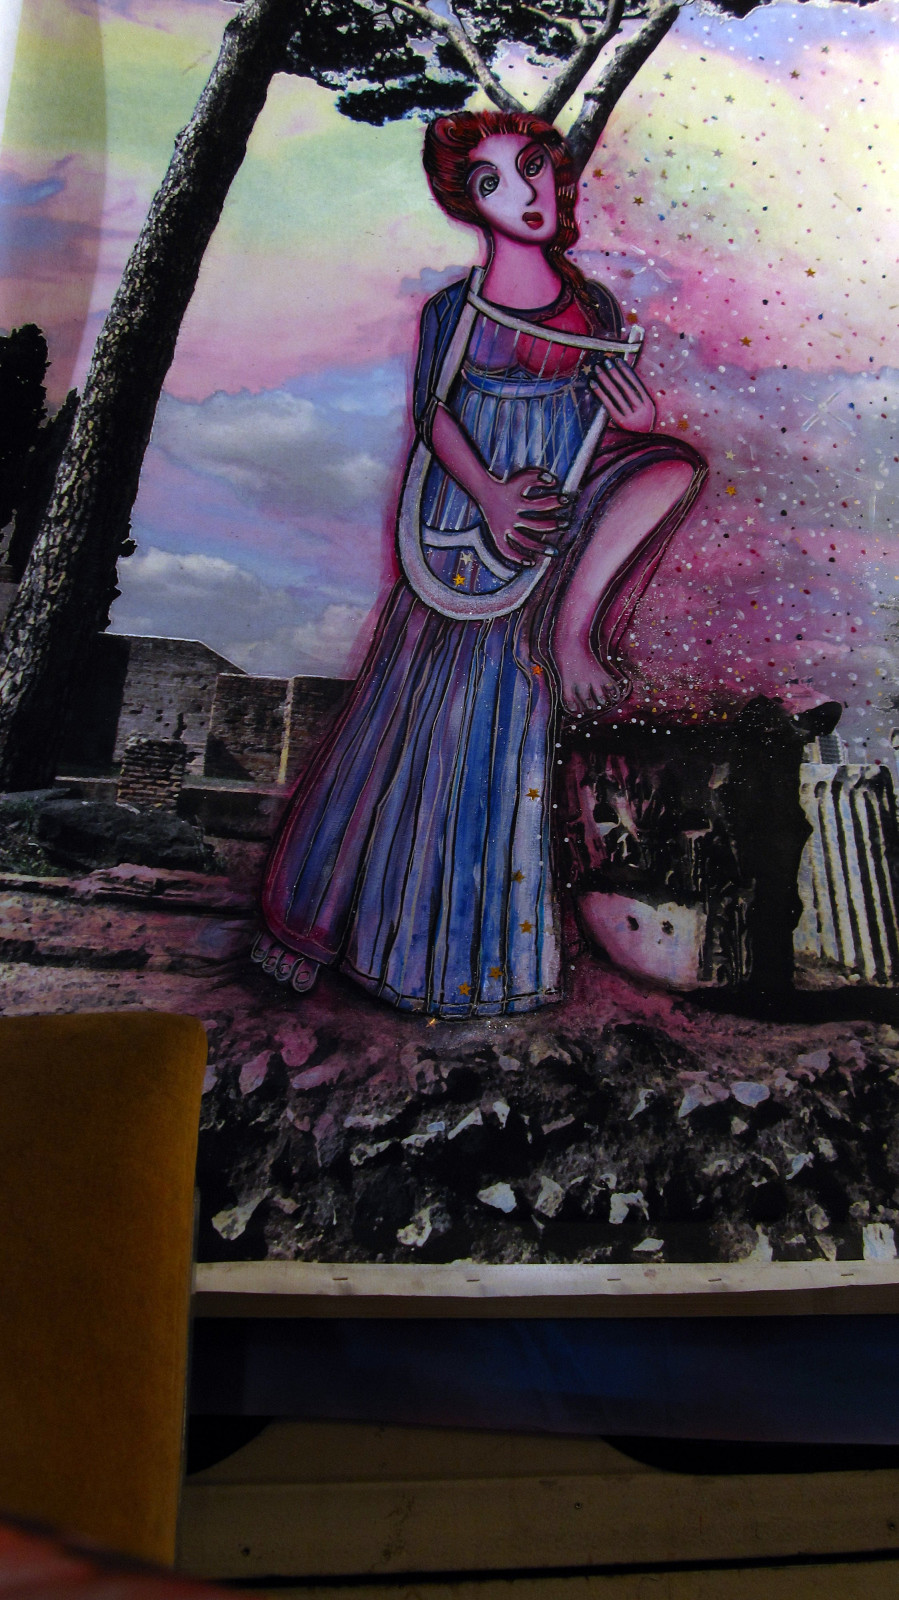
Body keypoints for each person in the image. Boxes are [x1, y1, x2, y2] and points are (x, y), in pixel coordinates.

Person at [254, 109, 706, 1017]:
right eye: (492, 182)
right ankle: (346, 933)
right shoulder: (452, 312)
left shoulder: (596, 309)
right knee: (414, 723)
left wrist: (628, 417)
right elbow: (434, 418)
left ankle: (476, 962)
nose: (523, 194)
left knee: (665, 469)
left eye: (531, 167)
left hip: (550, 531)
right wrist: (492, 500)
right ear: (469, 203)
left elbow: (594, 432)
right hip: (462, 532)